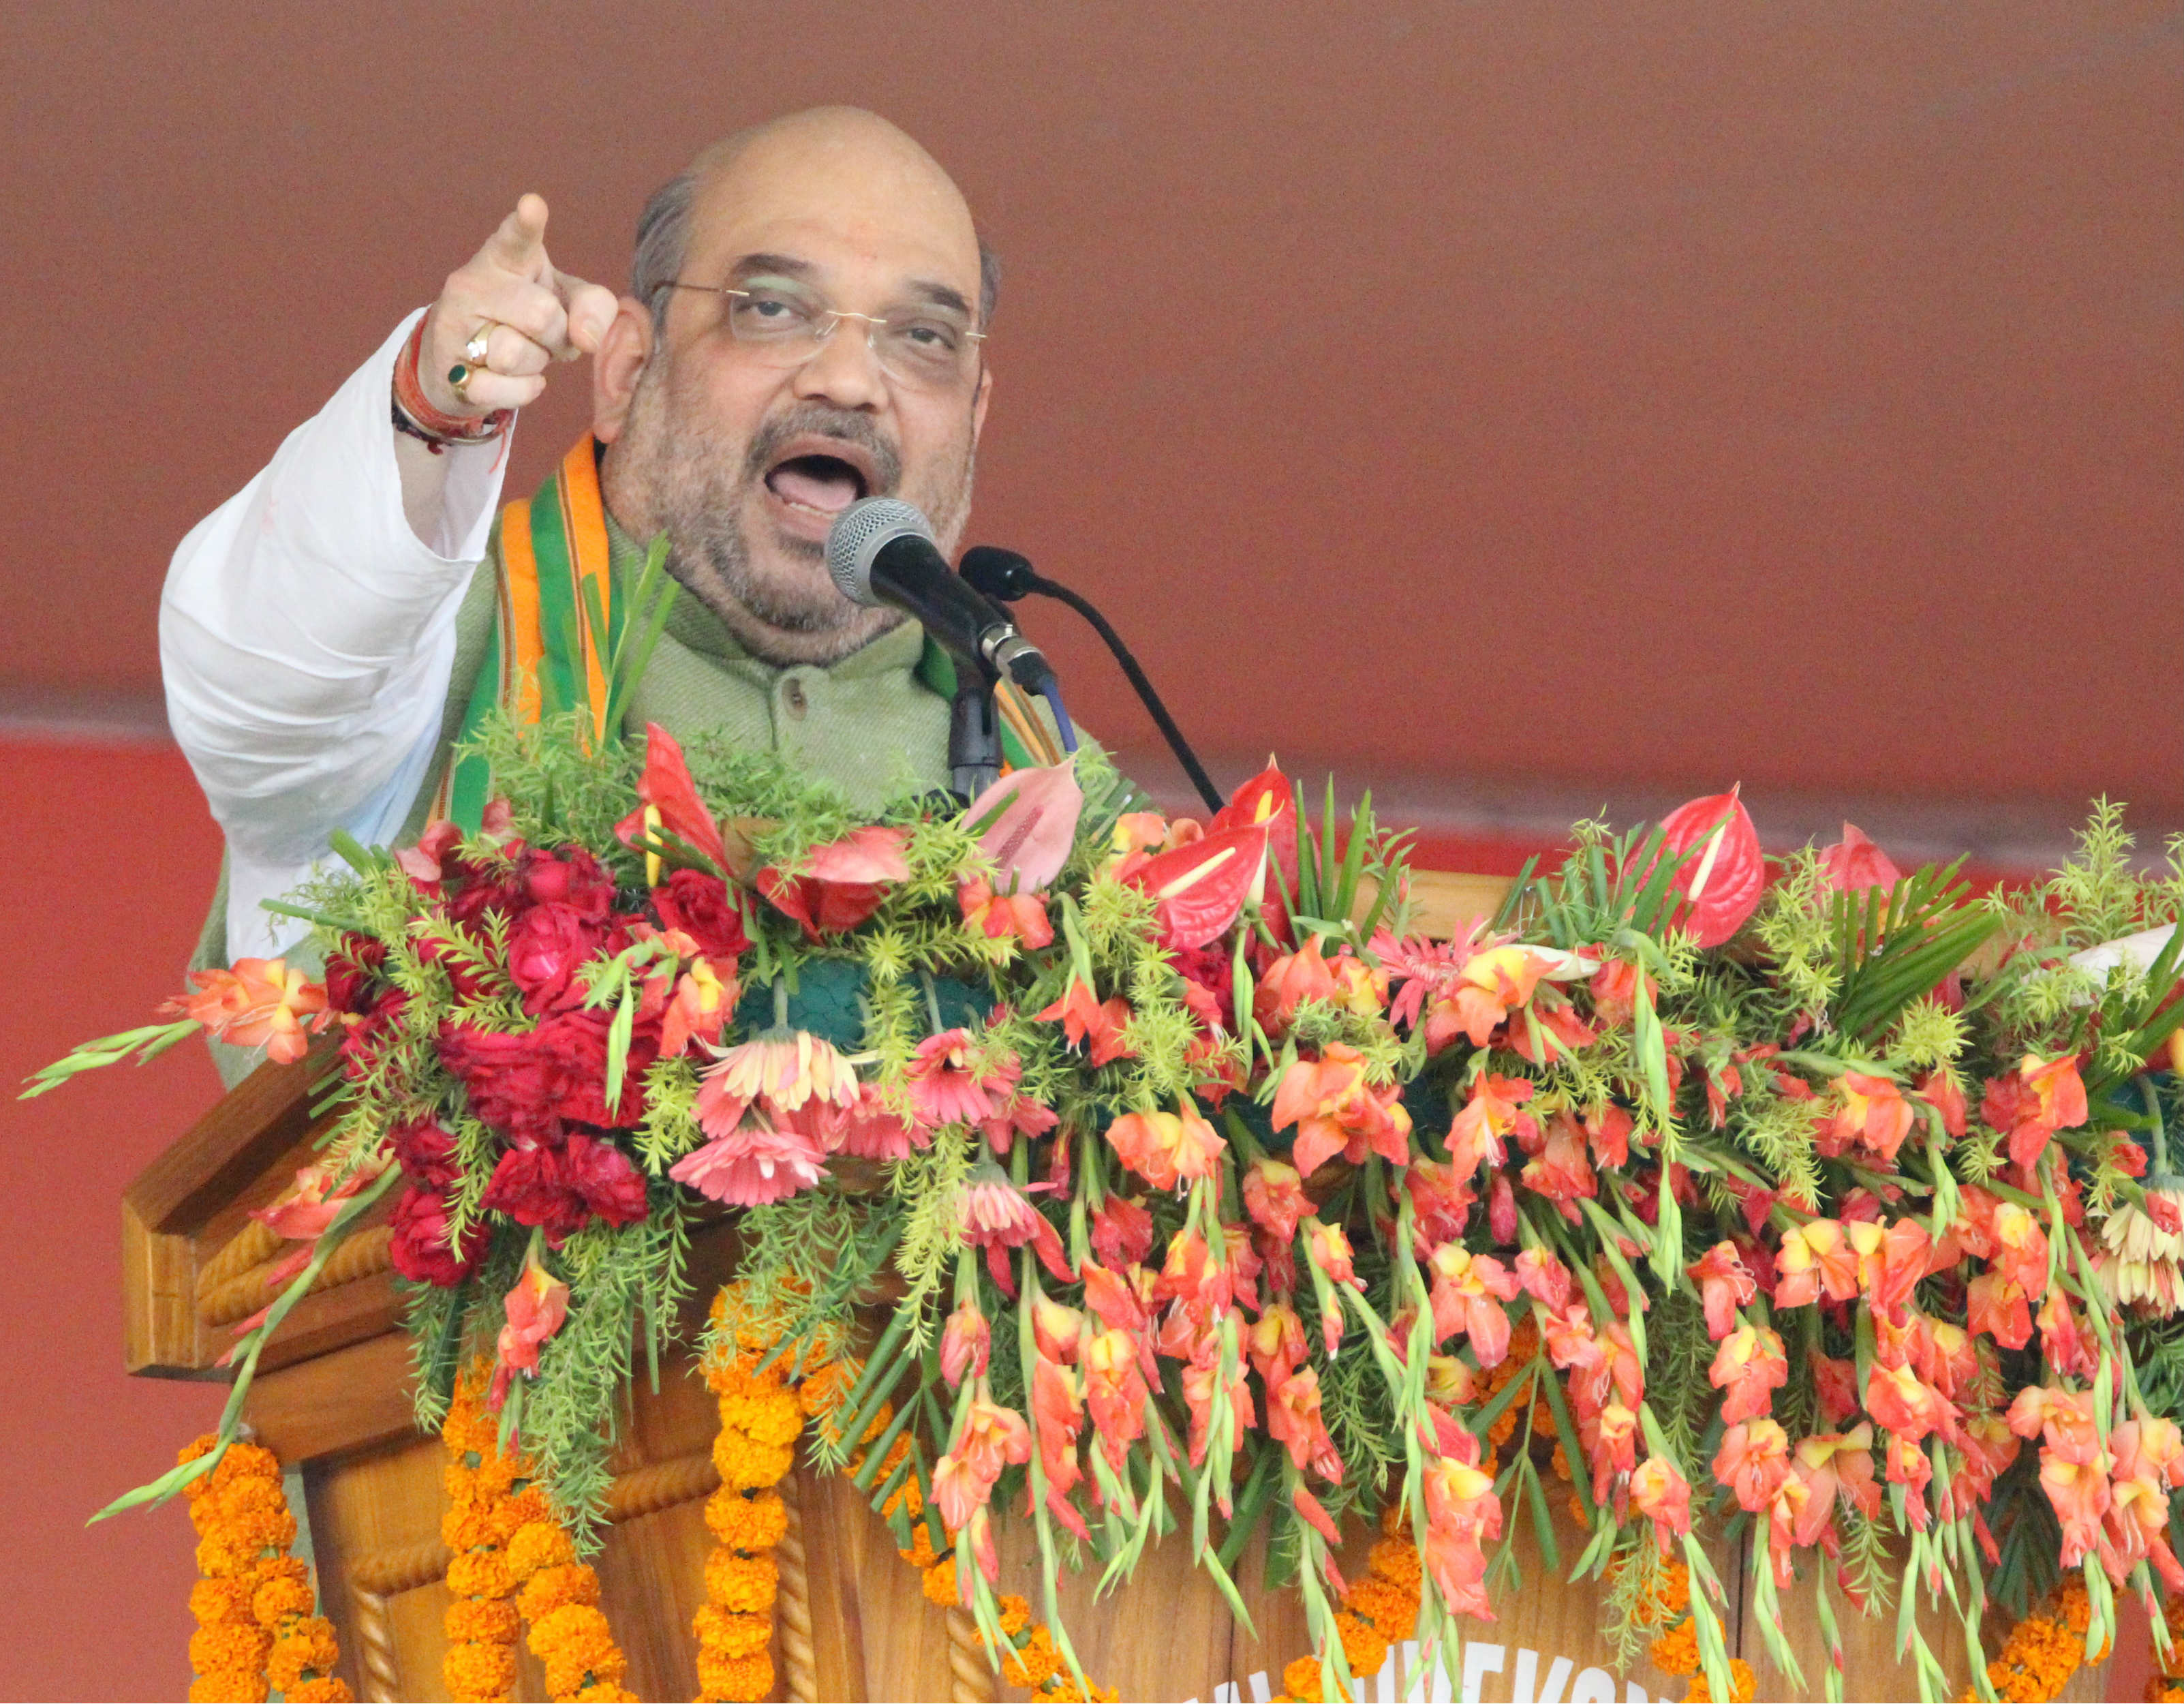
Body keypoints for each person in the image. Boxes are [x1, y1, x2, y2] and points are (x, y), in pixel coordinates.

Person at [162, 108, 1011, 1031]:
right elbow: (269, 671)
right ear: (625, 372)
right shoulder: (430, 638)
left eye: (924, 337)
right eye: (772, 309)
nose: (848, 380)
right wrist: (428, 403)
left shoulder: (1041, 767)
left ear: (970, 423)